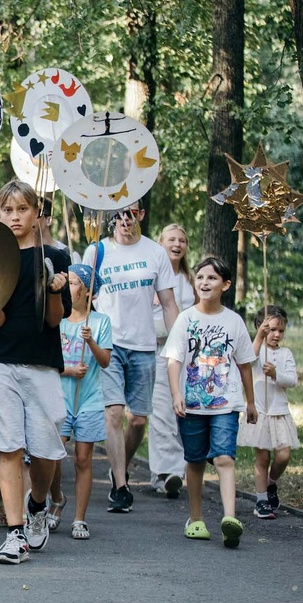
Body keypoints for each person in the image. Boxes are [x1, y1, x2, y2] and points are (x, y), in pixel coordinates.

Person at [0, 181, 71, 564]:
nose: (14, 216)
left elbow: (55, 321)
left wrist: (56, 289)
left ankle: (38, 503)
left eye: (22, 209)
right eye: (7, 210)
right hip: (1, 361)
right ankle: (15, 534)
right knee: (8, 446)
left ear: (36, 212)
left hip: (42, 362)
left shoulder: (56, 256)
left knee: (45, 449)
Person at [82, 201, 178, 513]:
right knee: (113, 413)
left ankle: (117, 465)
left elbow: (168, 303)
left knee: (137, 420)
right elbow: (83, 298)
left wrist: (178, 343)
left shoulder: (154, 252)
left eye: (131, 213)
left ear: (141, 215)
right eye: (119, 213)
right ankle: (120, 485)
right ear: (111, 217)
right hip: (108, 344)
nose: (125, 219)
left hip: (144, 344)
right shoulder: (96, 251)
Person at [163, 256, 256, 547]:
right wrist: (177, 394)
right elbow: (174, 360)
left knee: (224, 457)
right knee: (195, 460)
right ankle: (196, 518)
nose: (205, 282)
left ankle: (230, 518)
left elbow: (244, 364)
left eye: (212, 278)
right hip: (191, 403)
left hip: (226, 404)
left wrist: (251, 402)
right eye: (200, 277)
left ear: (225, 285)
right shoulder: (186, 319)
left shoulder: (233, 321)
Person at [49, 264, 111, 540]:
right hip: (60, 396)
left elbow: (105, 361)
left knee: (83, 459)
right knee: (53, 454)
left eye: (74, 283)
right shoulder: (57, 320)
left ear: (86, 290)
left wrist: (92, 342)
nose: (68, 287)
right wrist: (68, 370)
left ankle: (79, 519)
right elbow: (47, 362)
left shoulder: (100, 322)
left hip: (89, 399)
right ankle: (57, 497)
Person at [148, 224, 195, 498]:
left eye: (182, 240)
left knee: (183, 409)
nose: (177, 244)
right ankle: (167, 472)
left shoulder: (190, 279)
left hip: (186, 354)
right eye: (171, 240)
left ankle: (172, 471)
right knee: (162, 411)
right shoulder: (152, 275)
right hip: (158, 351)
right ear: (161, 242)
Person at [241, 305, 300, 519]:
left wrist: (276, 374)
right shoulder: (256, 348)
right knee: (262, 458)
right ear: (261, 327)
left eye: (281, 330)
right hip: (259, 412)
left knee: (283, 455)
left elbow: (292, 381)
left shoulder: (285, 354)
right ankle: (261, 501)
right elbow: (247, 360)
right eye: (272, 329)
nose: (276, 334)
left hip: (279, 412)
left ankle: (271, 483)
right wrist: (258, 337)